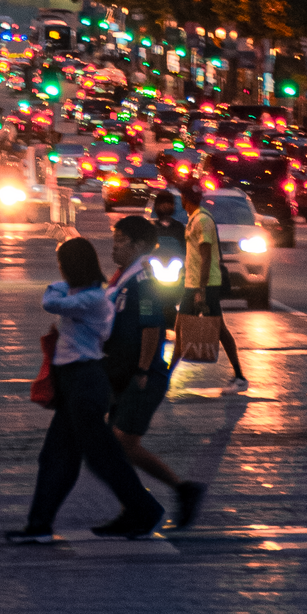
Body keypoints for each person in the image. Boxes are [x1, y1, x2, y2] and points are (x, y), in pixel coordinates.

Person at [9, 234, 165, 542]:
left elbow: (50, 300)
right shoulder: (88, 294)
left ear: (71, 265)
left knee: (100, 457)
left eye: (61, 264)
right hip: (74, 383)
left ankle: (145, 510)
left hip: (85, 382)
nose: (59, 269)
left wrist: (65, 285)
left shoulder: (93, 299)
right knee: (57, 455)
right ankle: (39, 525)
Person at [106, 215, 204, 528]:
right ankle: (137, 505)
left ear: (139, 246)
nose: (115, 248)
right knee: (117, 447)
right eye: (114, 241)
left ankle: (165, 496)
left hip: (141, 375)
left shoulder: (144, 279)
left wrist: (143, 369)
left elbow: (151, 327)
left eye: (121, 242)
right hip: (123, 372)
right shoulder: (125, 277)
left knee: (121, 444)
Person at [181, 193, 247, 387]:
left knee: (217, 328)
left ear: (185, 199)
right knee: (181, 327)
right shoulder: (194, 219)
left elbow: (206, 257)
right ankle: (165, 375)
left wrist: (201, 289)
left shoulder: (202, 220)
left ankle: (239, 375)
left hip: (205, 284)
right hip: (193, 283)